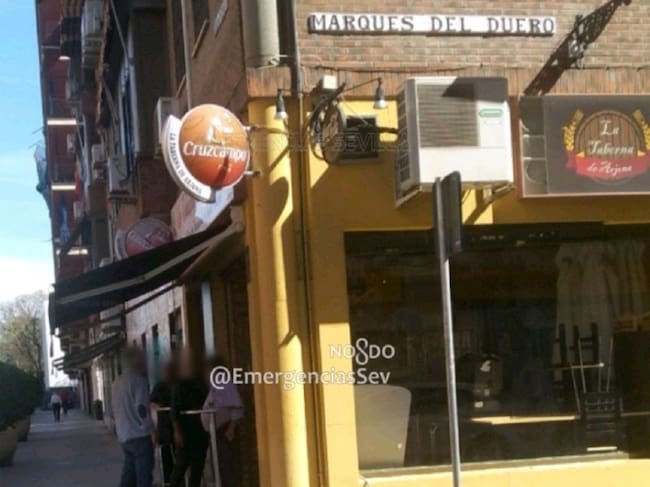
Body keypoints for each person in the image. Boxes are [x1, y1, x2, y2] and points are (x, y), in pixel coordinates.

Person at [111, 347, 155, 487]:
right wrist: (152, 430)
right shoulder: (138, 380)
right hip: (140, 435)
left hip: (124, 436)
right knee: (143, 477)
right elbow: (142, 409)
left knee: (129, 475)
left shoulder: (116, 383)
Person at [169, 349, 209, 487]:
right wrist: (177, 431)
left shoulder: (201, 381)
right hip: (186, 429)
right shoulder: (179, 383)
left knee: (198, 466)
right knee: (181, 465)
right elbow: (174, 409)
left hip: (201, 430)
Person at [202, 355, 244, 487]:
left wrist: (231, 428)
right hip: (217, 432)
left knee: (227, 467)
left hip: (225, 431)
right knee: (220, 467)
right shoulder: (216, 385)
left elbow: (237, 407)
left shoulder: (225, 383)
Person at [150, 359, 178, 486]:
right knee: (166, 454)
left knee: (178, 454)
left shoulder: (178, 384)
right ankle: (168, 480)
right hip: (165, 425)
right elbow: (152, 402)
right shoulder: (160, 385)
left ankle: (178, 480)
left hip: (176, 424)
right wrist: (159, 407)